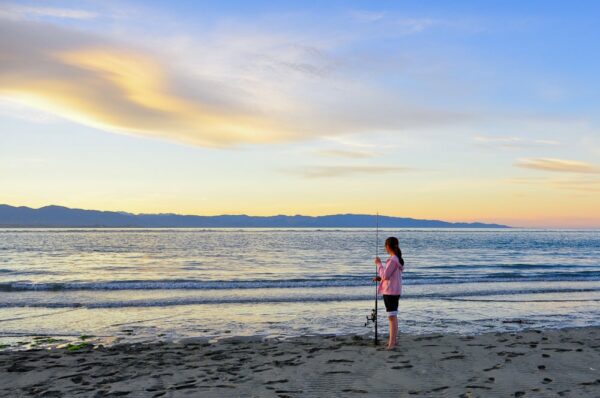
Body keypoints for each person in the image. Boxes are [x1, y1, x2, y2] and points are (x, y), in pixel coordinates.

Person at [373, 236, 404, 350]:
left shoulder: (393, 260)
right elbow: (389, 276)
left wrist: (378, 264)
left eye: (385, 246)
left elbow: (385, 275)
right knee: (393, 316)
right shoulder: (396, 259)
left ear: (388, 246)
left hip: (390, 291)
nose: (385, 249)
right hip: (394, 290)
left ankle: (392, 343)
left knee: (392, 317)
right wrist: (379, 278)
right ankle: (392, 341)